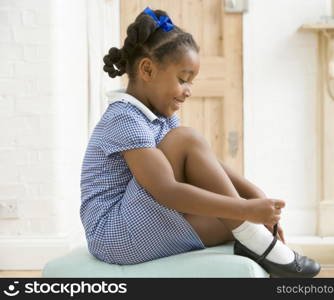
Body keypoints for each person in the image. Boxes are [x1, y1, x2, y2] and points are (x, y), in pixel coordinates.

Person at [80, 7, 320, 278]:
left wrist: (255, 196)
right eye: (182, 80)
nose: (188, 91)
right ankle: (262, 246)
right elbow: (166, 190)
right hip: (115, 232)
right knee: (188, 141)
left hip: (141, 224)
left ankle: (260, 244)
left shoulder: (160, 117)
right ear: (147, 69)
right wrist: (245, 209)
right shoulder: (123, 117)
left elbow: (204, 165)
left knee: (241, 224)